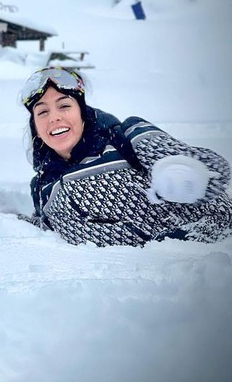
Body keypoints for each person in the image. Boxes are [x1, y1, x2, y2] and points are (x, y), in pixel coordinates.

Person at [20, 66, 232, 247]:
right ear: (35, 126)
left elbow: (215, 171)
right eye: (42, 112)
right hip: (144, 277)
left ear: (82, 112)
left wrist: (181, 171)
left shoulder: (127, 137)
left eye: (64, 105)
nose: (54, 117)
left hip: (213, 251)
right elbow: (45, 233)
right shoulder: (42, 187)